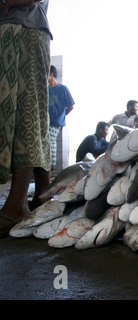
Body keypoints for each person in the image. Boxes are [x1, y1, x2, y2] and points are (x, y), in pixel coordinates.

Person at [0, 0, 53, 237]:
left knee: (27, 113)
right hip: (21, 29)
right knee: (33, 112)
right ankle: (41, 196)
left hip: (23, 29)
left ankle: (17, 205)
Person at [48, 65, 75, 170]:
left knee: (51, 139)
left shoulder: (62, 89)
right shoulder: (46, 89)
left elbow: (71, 105)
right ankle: (48, 165)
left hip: (56, 121)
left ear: (51, 74)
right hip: (46, 121)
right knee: (49, 140)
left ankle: (51, 165)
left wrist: (61, 116)